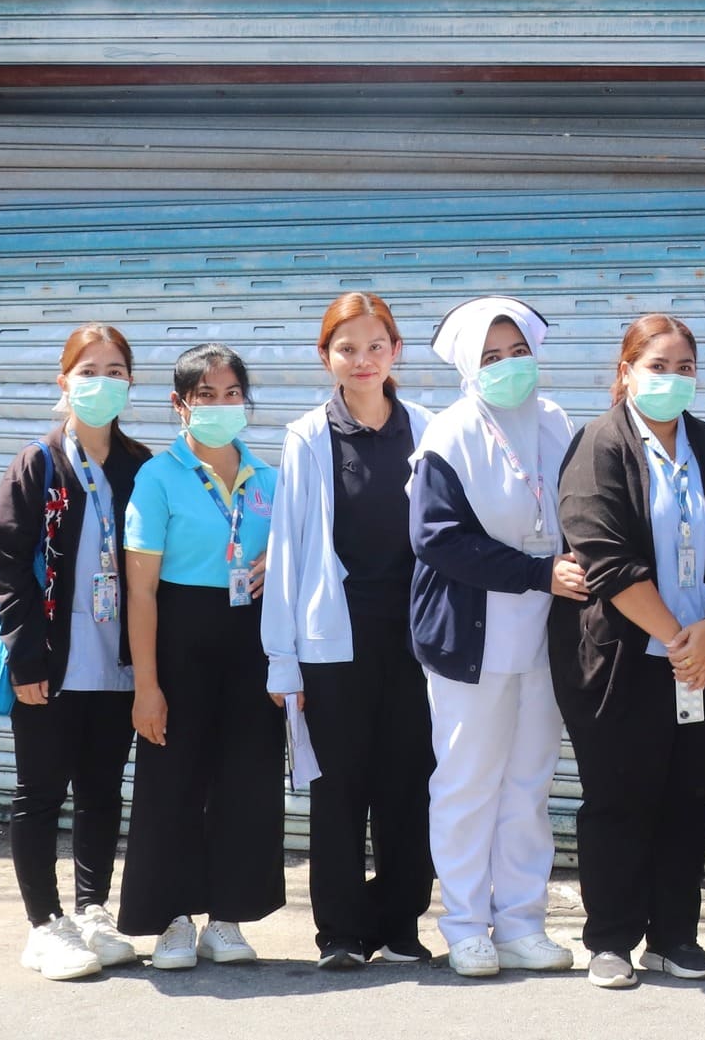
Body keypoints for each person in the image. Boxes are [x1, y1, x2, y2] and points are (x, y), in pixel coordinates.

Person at [554, 315, 705, 990]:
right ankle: (610, 939)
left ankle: (675, 937)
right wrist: (681, 640)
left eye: (684, 367)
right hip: (622, 662)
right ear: (626, 372)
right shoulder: (599, 444)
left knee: (689, 798)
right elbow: (604, 557)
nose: (672, 379)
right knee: (618, 798)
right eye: (657, 366)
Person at [409, 296, 584, 978]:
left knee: (528, 783)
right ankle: (463, 925)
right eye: (490, 357)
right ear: (466, 367)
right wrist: (538, 572)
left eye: (517, 352)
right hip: (472, 639)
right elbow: (436, 538)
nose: (509, 366)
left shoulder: (556, 421)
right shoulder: (448, 436)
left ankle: (520, 922)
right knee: (467, 783)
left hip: (543, 635)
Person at [263, 292, 436, 970]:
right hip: (333, 642)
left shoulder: (428, 428)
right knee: (338, 788)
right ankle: (339, 931)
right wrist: (282, 659)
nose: (362, 360)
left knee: (408, 785)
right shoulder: (310, 436)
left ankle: (399, 925)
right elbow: (287, 549)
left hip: (415, 641)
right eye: (347, 348)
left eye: (375, 346)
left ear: (396, 351)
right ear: (325, 356)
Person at [0, 324, 151, 979]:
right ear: (64, 380)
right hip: (52, 661)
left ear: (130, 384)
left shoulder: (140, 465)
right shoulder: (39, 462)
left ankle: (91, 911)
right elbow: (8, 567)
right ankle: (43, 924)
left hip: (116, 661)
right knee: (39, 792)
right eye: (88, 371)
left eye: (115, 371)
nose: (101, 383)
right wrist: (26, 658)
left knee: (101, 792)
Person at [118, 344, 283, 969]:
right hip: (180, 637)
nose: (221, 405)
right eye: (205, 395)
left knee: (247, 778)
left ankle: (228, 919)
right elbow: (141, 591)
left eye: (232, 393)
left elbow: (301, 556)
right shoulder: (158, 477)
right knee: (173, 780)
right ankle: (173, 920)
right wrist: (147, 685)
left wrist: (279, 558)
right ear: (180, 405)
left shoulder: (269, 479)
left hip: (251, 640)